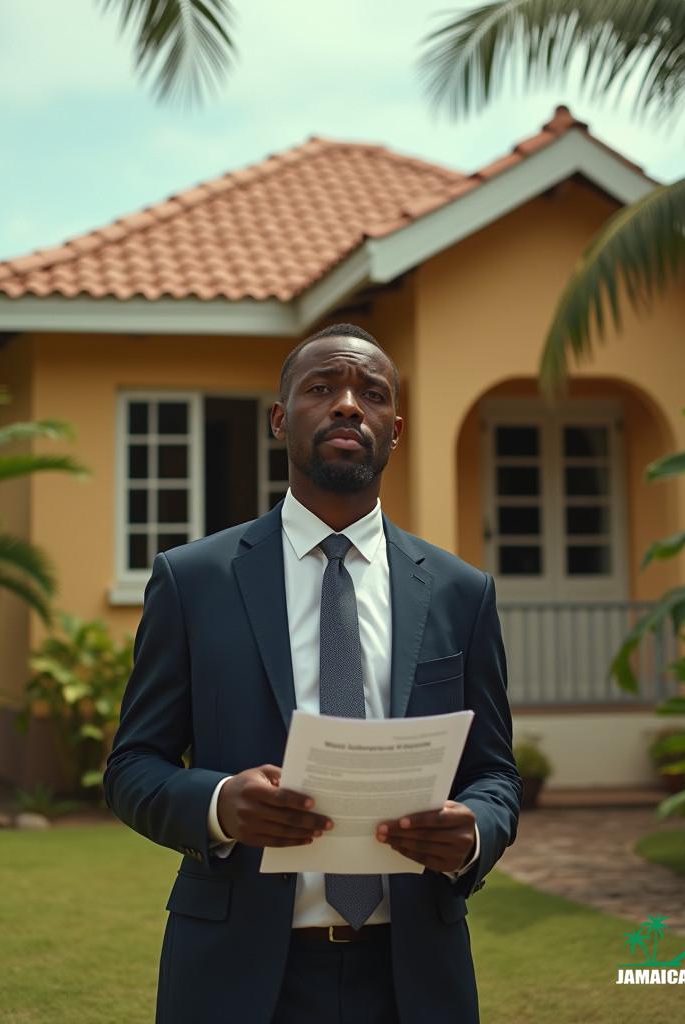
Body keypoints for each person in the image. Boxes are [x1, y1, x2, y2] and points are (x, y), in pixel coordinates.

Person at [104, 322, 521, 1024]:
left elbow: (497, 773)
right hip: (235, 975)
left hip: (415, 974)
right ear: (279, 419)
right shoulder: (193, 581)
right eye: (322, 388)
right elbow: (131, 766)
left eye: (372, 393)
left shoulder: (460, 592)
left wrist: (474, 829)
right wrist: (219, 805)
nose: (349, 405)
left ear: (395, 430)